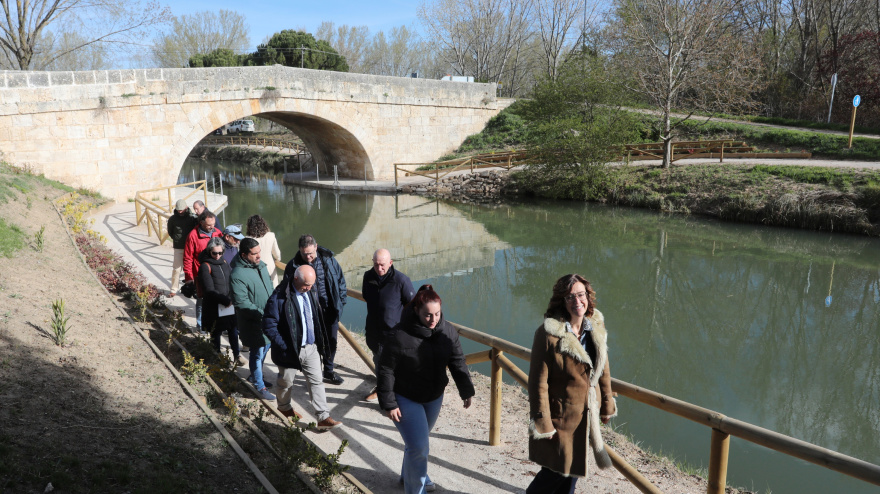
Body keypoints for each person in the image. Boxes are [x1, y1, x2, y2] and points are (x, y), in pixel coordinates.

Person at [377, 285, 474, 494]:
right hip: (406, 397)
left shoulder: (447, 331)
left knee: (416, 443)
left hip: (433, 397)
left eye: (437, 314)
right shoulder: (399, 335)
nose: (433, 319)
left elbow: (457, 361)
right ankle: (416, 490)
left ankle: (408, 475)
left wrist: (466, 390)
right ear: (416, 311)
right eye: (427, 315)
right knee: (419, 446)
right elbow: (385, 370)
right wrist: (389, 402)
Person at [526, 274, 617, 494]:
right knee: (555, 473)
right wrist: (544, 424)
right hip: (561, 419)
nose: (577, 302)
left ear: (587, 296)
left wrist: (606, 405)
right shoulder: (548, 334)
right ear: (561, 301)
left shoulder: (596, 326)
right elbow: (538, 383)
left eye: (580, 295)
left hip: (587, 416)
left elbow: (602, 370)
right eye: (570, 297)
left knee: (571, 475)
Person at [262, 265, 343, 430]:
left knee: (317, 382)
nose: (309, 288)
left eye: (311, 284)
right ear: (296, 279)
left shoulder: (310, 290)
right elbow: (269, 325)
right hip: (290, 350)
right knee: (286, 383)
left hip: (310, 347)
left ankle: (323, 417)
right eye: (306, 284)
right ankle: (284, 409)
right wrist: (284, 346)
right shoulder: (279, 297)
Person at [283, 234, 347, 385]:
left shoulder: (329, 260)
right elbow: (286, 291)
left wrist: (341, 303)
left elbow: (341, 281)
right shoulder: (293, 266)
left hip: (329, 309)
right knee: (312, 344)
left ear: (316, 247)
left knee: (331, 341)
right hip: (308, 313)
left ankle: (329, 371)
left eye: (311, 253)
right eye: (305, 254)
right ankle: (315, 373)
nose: (309, 257)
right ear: (299, 250)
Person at [362, 248, 415, 403]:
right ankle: (381, 390)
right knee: (379, 363)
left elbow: (411, 306)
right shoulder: (368, 277)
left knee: (396, 367)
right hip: (374, 332)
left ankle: (397, 396)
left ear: (390, 263)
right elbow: (367, 296)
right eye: (376, 264)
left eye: (383, 265)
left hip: (394, 334)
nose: (379, 268)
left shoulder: (401, 280)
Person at [230, 238, 276, 401]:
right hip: (253, 323)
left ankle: (255, 377)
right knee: (256, 354)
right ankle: (259, 386)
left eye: (259, 252)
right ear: (244, 254)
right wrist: (262, 314)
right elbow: (242, 302)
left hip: (268, 319)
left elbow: (270, 288)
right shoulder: (237, 274)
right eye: (254, 254)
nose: (259, 256)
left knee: (266, 347)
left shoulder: (261, 266)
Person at [198, 237, 247, 367]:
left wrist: (231, 298)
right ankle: (217, 357)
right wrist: (225, 300)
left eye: (220, 253)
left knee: (233, 330)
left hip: (228, 304)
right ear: (209, 251)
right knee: (216, 332)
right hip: (215, 306)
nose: (218, 256)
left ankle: (236, 355)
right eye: (215, 253)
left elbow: (230, 280)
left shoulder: (224, 261)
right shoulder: (205, 266)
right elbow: (209, 289)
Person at [183, 210, 223, 332]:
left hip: (216, 272)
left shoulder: (218, 233)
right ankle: (201, 325)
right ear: (201, 223)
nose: (212, 227)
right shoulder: (193, 236)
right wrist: (189, 278)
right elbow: (187, 257)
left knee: (218, 298)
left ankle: (219, 323)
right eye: (209, 225)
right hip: (200, 273)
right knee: (201, 300)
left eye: (214, 224)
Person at [166, 199, 197, 297]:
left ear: (186, 208)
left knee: (192, 268)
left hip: (191, 247)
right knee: (177, 269)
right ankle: (174, 289)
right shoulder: (172, 219)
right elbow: (170, 232)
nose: (180, 212)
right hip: (179, 247)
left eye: (182, 210)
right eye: (178, 210)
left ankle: (193, 289)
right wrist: (176, 239)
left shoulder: (192, 218)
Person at [246, 215, 282, 287]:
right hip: (270, 268)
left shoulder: (247, 239)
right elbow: (277, 255)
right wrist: (277, 260)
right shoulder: (271, 236)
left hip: (255, 269)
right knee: (273, 289)